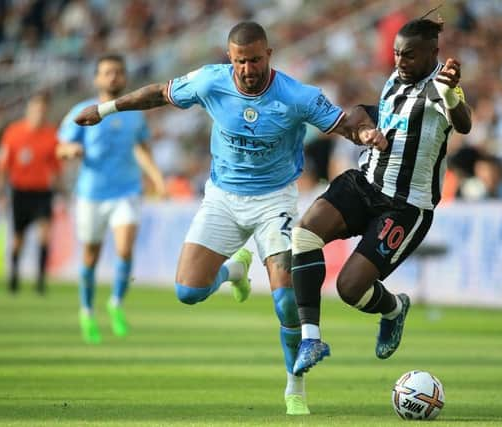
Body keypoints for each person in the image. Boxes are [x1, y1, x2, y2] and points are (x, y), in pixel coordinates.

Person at [72, 22, 384, 415]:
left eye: (255, 60)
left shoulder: (297, 95)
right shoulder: (209, 81)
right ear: (229, 58)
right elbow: (157, 95)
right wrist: (103, 109)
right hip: (222, 199)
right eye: (240, 61)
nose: (248, 69)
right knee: (188, 292)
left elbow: (343, 124)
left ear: (268, 54)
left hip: (275, 202)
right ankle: (235, 272)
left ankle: (295, 388)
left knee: (286, 299)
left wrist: (366, 134)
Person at [289, 16, 472, 375]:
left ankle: (393, 309)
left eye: (409, 56)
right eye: (397, 54)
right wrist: (364, 129)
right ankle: (311, 338)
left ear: (432, 53)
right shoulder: (395, 79)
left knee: (350, 288)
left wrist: (452, 92)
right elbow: (370, 112)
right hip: (365, 182)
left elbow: (463, 121)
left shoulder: (440, 89)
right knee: (304, 234)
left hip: (405, 207)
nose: (400, 62)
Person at [57, 54, 166, 345]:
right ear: (97, 79)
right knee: (90, 256)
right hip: (91, 194)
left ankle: (116, 303)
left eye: (118, 72)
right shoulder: (81, 111)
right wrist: (71, 152)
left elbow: (141, 147)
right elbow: (62, 146)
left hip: (127, 191)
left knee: (125, 248)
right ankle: (87, 310)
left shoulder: (134, 113)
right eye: (107, 72)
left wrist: (155, 176)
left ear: (125, 77)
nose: (113, 77)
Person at [0, 92, 61, 295]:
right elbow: (2, 166)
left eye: (43, 109)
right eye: (36, 108)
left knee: (45, 235)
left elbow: (56, 167)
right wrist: (1, 194)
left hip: (42, 192)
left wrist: (60, 192)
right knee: (18, 239)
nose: (39, 113)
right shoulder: (13, 132)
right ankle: (14, 276)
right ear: (28, 109)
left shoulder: (51, 135)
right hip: (20, 192)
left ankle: (40, 281)